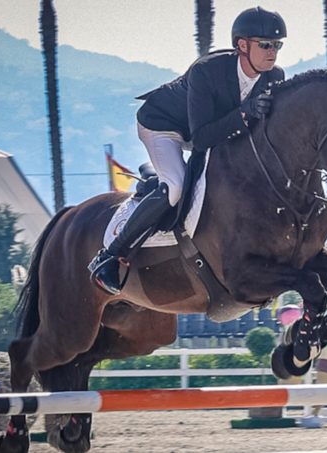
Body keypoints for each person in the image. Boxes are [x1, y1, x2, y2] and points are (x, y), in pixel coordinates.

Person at [88, 6, 287, 295]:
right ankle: (110, 255)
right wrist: (244, 114)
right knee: (176, 187)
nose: (273, 52)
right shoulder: (207, 70)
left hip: (211, 130)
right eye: (266, 45)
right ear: (242, 45)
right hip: (164, 126)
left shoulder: (274, 76)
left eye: (277, 45)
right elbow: (202, 138)